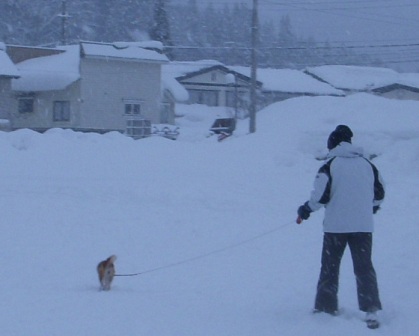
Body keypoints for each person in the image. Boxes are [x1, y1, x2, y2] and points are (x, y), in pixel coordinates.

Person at [296, 125, 385, 329]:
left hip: (336, 227)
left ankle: (326, 307)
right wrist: (371, 207)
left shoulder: (331, 164)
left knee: (330, 267)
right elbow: (380, 192)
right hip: (363, 226)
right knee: (364, 268)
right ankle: (371, 310)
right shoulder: (367, 164)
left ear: (333, 143)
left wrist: (306, 209)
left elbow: (320, 196)